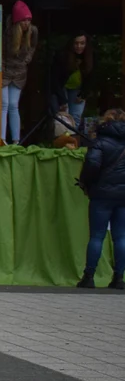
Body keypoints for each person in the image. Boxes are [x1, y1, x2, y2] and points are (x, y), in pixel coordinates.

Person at [77, 109, 125, 290]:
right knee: (121, 237)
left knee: (97, 236)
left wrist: (86, 184)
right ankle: (119, 278)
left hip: (102, 195)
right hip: (124, 196)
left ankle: (89, 277)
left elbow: (92, 165)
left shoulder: (100, 142)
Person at [1, 0, 39, 145]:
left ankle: (16, 139)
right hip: (6, 69)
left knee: (13, 104)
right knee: (4, 103)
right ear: (17, 21)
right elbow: (2, 52)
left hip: (20, 71)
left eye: (29, 20)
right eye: (24, 20)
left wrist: (27, 59)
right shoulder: (8, 32)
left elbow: (33, 46)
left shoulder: (33, 31)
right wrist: (2, 67)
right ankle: (2, 138)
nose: (27, 23)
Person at [49, 32, 94, 129]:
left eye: (82, 43)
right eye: (76, 43)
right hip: (62, 88)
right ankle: (62, 141)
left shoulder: (90, 57)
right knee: (64, 117)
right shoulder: (62, 56)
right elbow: (55, 79)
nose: (79, 46)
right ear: (71, 44)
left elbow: (91, 78)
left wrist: (84, 94)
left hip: (78, 90)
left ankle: (73, 141)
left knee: (76, 117)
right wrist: (62, 100)